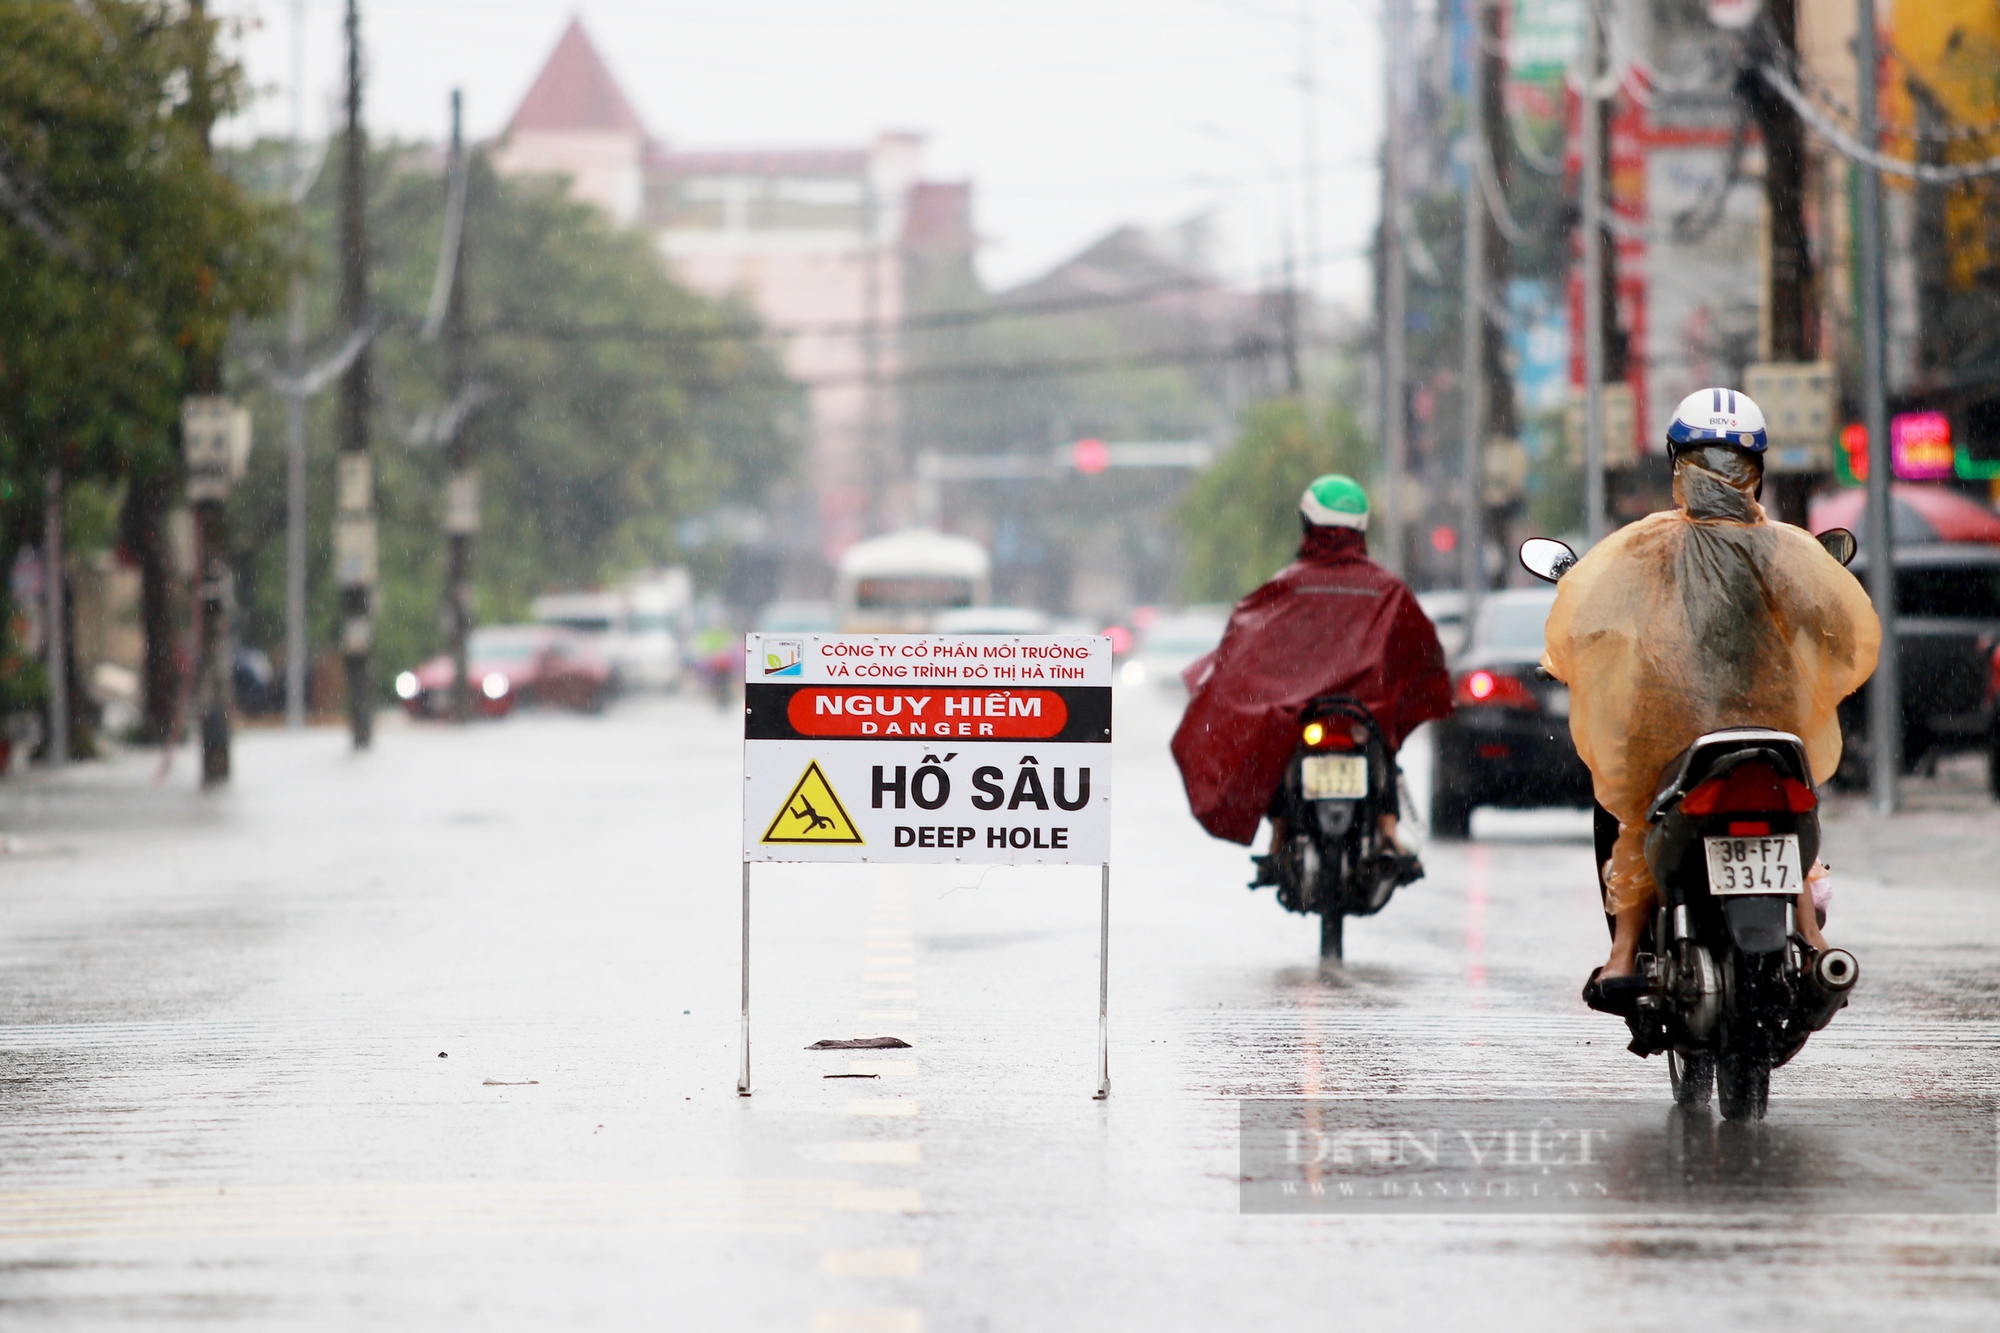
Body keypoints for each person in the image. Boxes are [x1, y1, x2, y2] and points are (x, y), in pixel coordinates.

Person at [1539, 389, 1880, 1002]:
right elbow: (1845, 629)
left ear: (1675, 460)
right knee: (1792, 815)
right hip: (1772, 728)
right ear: (1761, 466)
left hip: (1669, 733)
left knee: (1634, 818)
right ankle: (1814, 941)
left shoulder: (1643, 547)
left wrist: (1567, 662)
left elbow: (1582, 617)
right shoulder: (1789, 551)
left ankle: (1621, 958)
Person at [1171, 474, 1453, 861]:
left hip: (1303, 719)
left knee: (1277, 748)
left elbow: (1245, 652)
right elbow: (1421, 655)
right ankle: (1388, 829)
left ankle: (1280, 831)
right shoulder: (1388, 590)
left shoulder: (1285, 588)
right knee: (1381, 745)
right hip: (1362, 720)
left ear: (1308, 523)